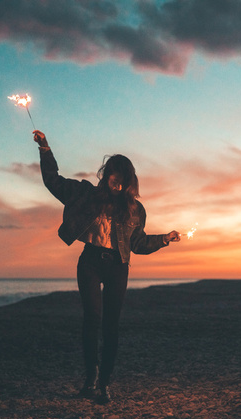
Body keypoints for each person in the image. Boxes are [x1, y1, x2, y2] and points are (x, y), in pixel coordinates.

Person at [33, 129, 180, 404]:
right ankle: (90, 378)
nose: (118, 183)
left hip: (118, 267)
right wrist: (45, 148)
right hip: (90, 262)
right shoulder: (85, 194)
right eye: (114, 177)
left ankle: (105, 384)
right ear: (107, 174)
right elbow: (52, 181)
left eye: (124, 180)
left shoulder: (136, 210)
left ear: (129, 182)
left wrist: (164, 239)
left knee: (111, 325)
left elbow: (137, 244)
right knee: (92, 320)